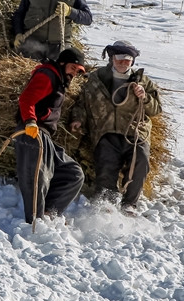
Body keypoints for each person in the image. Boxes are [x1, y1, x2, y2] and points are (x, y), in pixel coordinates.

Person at [68, 40, 162, 211]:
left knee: (140, 159)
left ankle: (129, 203)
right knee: (106, 162)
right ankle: (106, 203)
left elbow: (156, 109)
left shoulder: (143, 81)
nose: (123, 63)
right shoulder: (97, 78)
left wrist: (144, 97)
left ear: (132, 62)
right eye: (119, 60)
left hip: (133, 132)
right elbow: (82, 102)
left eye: (127, 61)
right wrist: (78, 119)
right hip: (105, 130)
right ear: (111, 59)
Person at [13, 47, 87, 224]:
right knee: (37, 178)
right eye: (72, 68)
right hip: (32, 132)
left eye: (78, 71)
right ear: (62, 63)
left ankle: (48, 213)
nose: (74, 73)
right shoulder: (47, 75)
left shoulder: (59, 79)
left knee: (73, 173)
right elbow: (26, 99)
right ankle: (35, 224)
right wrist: (30, 121)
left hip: (45, 136)